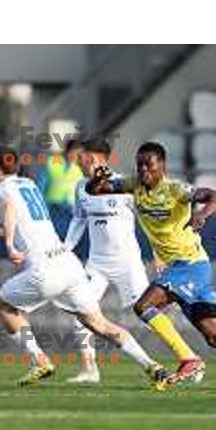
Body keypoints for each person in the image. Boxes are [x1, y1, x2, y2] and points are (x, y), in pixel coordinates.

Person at [0, 148, 169, 388]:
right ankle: (151, 365)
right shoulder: (28, 184)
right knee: (99, 324)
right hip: (68, 264)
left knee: (4, 308)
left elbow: (9, 208)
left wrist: (9, 246)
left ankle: (39, 360)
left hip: (44, 269)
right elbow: (20, 223)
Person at [87, 141, 216, 387]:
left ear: (162, 166)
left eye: (149, 165)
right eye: (140, 165)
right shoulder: (134, 185)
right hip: (189, 267)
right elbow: (95, 190)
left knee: (143, 306)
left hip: (188, 264)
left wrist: (201, 215)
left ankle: (189, 359)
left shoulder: (176, 190)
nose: (144, 170)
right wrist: (96, 179)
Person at [63, 137, 152, 383]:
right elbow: (79, 219)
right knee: (81, 312)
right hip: (97, 265)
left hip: (128, 263)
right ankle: (90, 370)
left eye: (80, 157)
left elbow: (146, 220)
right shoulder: (81, 186)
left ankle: (188, 359)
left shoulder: (123, 185)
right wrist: (65, 249)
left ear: (91, 158)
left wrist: (158, 254)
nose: (76, 162)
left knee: (149, 315)